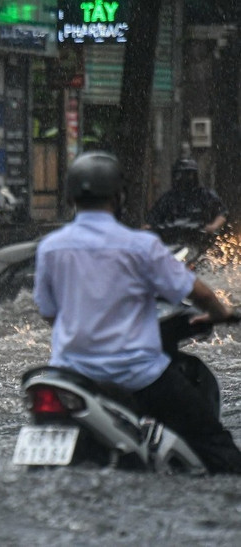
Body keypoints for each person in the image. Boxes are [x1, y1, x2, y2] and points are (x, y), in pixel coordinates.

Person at [33, 151, 241, 474]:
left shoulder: (50, 247)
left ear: (71, 196)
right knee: (221, 451)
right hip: (138, 376)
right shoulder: (140, 246)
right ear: (119, 197)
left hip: (69, 373)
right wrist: (220, 313)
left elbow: (48, 313)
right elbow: (197, 292)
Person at [144, 158, 227, 234]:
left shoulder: (205, 195)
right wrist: (147, 229)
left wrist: (213, 226)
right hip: (172, 240)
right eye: (181, 175)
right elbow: (152, 219)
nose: (185, 178)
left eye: (189, 174)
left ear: (195, 176)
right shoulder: (168, 198)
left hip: (201, 240)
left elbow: (222, 213)